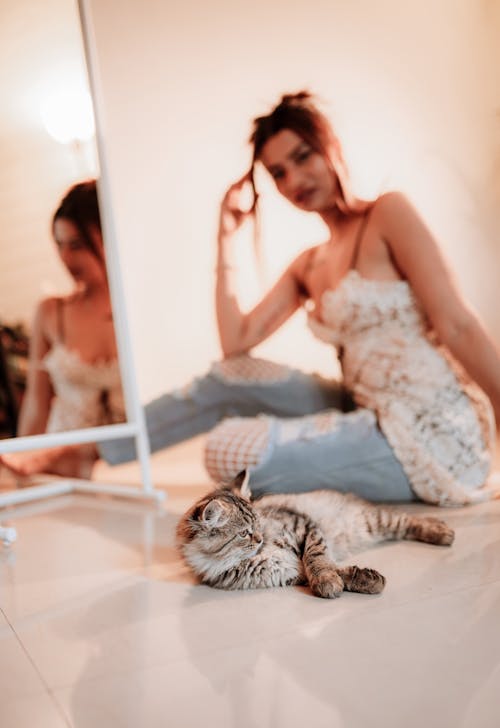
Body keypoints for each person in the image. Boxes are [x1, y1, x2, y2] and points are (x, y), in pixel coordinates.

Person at [96, 91, 500, 507]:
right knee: (227, 377)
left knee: (226, 452)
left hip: (428, 423)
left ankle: (343, 459)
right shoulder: (308, 265)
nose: (293, 181)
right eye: (278, 173)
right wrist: (225, 240)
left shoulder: (387, 213)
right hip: (362, 406)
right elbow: (236, 344)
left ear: (331, 148)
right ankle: (95, 449)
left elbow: (457, 324)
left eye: (303, 157)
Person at [0, 180, 125, 478]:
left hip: (121, 468)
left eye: (77, 245)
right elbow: (36, 403)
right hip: (59, 468)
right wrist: (24, 466)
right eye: (60, 245)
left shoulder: (135, 311)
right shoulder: (51, 312)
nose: (66, 258)